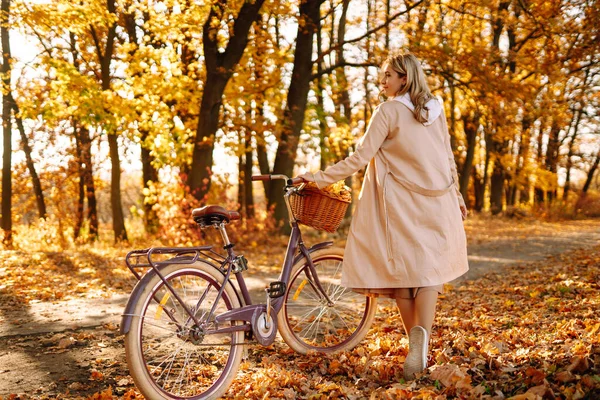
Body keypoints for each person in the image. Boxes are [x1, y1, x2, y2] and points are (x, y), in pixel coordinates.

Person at [295, 52, 469, 380]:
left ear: (404, 78)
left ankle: (415, 341)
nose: (382, 80)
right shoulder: (436, 109)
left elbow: (360, 157)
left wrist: (317, 177)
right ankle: (423, 342)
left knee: (401, 273)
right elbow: (448, 157)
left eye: (388, 75)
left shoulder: (388, 111)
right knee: (429, 272)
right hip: (439, 200)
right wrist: (457, 195)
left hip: (400, 205)